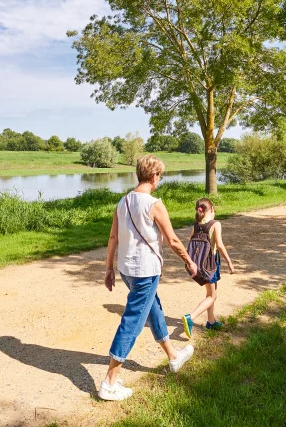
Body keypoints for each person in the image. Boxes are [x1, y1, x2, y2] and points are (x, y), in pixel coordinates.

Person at [99, 155, 198, 402]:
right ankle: (110, 382)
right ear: (154, 177)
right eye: (160, 176)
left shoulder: (122, 202)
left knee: (153, 308)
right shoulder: (154, 204)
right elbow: (173, 240)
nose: (159, 180)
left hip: (127, 270)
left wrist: (109, 268)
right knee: (132, 321)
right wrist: (189, 261)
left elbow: (113, 238)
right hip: (145, 271)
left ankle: (173, 357)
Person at [182, 198, 235, 338]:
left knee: (210, 293)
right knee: (212, 296)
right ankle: (190, 317)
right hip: (211, 264)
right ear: (211, 209)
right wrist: (229, 262)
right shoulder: (215, 224)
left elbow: (191, 241)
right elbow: (220, 245)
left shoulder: (196, 224)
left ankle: (211, 322)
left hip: (200, 263)